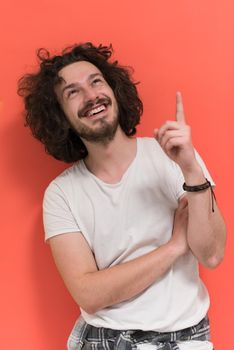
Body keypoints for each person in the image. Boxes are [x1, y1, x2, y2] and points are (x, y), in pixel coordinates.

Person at [18, 42, 226, 350]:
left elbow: (211, 255)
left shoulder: (175, 158)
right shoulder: (62, 194)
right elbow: (88, 293)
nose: (91, 97)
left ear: (114, 90)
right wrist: (173, 248)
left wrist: (191, 169)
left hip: (187, 338)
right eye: (72, 92)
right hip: (105, 340)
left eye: (96, 82)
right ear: (59, 115)